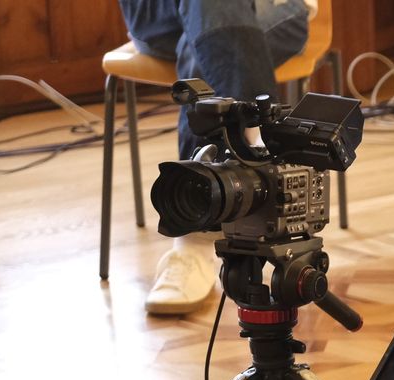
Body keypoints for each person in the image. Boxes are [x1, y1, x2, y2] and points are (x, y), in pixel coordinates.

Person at [115, 0, 314, 315]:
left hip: (274, 8)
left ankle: (194, 234)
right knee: (209, 24)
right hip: (157, 14)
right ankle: (257, 146)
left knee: (201, 48)